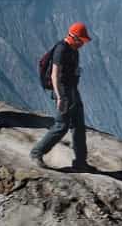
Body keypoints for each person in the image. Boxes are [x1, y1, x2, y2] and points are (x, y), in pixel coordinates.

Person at [31, 22, 92, 170]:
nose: (83, 44)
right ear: (74, 37)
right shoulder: (61, 49)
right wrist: (60, 97)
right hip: (63, 91)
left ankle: (80, 163)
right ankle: (36, 153)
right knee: (62, 125)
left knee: (78, 126)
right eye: (82, 40)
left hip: (72, 90)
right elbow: (54, 75)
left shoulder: (73, 50)